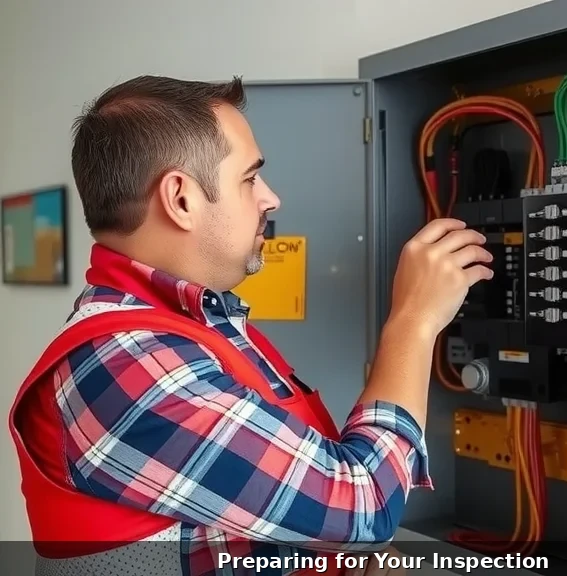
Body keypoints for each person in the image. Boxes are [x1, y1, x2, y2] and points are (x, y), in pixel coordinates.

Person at [8, 75, 494, 576]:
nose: (270, 198)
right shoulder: (134, 361)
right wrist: (413, 322)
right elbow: (363, 505)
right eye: (249, 178)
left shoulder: (201, 326)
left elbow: (243, 525)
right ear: (181, 199)